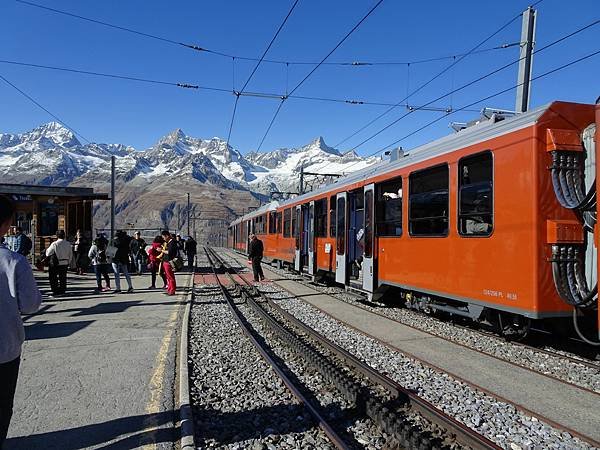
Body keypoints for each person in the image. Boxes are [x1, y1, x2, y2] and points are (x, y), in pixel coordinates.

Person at [0, 195, 42, 448]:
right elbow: (30, 304)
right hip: (5, 348)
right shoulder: (14, 262)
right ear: (6, 223)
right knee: (2, 405)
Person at [46, 230, 74, 296]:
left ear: (57, 236)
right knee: (63, 277)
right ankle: (62, 290)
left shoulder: (55, 244)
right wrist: (68, 262)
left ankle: (55, 290)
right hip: (65, 262)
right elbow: (71, 254)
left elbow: (48, 253)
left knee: (53, 277)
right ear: (64, 235)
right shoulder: (68, 244)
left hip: (56, 263)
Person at [161, 230, 178, 296]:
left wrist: (162, 250)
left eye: (163, 237)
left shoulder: (172, 242)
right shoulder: (169, 242)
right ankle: (170, 289)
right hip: (166, 261)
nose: (163, 239)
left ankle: (172, 290)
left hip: (169, 262)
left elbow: (169, 252)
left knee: (170, 277)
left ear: (167, 236)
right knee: (168, 277)